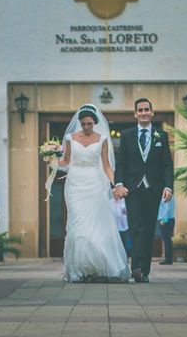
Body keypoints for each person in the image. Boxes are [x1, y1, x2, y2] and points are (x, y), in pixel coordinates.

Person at [56, 104, 130, 282]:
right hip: (74, 184)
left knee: (96, 226)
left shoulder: (102, 139)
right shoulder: (70, 138)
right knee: (77, 226)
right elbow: (65, 161)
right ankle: (78, 269)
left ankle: (98, 266)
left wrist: (116, 184)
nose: (87, 127)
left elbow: (106, 166)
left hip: (94, 183)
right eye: (83, 124)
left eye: (89, 124)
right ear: (80, 123)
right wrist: (51, 158)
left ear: (95, 123)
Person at [114, 98, 174, 283]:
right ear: (135, 114)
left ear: (152, 112)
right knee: (136, 228)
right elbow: (121, 163)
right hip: (133, 189)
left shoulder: (161, 136)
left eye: (147, 109)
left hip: (153, 190)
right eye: (140, 110)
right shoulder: (127, 135)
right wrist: (119, 184)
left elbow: (167, 164)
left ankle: (145, 271)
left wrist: (168, 186)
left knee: (148, 230)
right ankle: (136, 269)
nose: (144, 113)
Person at [157, 195, 176, 265]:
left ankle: (168, 259)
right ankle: (168, 258)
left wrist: (164, 220)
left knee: (167, 240)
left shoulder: (166, 195)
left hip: (166, 221)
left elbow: (167, 208)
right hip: (169, 219)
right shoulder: (171, 196)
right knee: (167, 240)